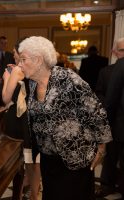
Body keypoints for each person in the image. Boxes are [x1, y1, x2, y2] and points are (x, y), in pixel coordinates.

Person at [18, 36, 112, 200]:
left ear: (39, 60)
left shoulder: (68, 79)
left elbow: (96, 111)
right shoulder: (33, 83)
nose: (20, 64)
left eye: (23, 59)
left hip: (75, 159)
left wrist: (102, 148)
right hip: (49, 159)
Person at [2, 38, 41, 200]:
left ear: (20, 53)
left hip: (18, 121)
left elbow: (5, 98)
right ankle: (34, 194)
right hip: (33, 117)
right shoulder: (37, 68)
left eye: (14, 53)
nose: (13, 56)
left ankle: (17, 194)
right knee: (34, 160)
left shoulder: (16, 71)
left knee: (17, 162)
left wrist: (6, 78)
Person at [104, 37, 124, 199]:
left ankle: (111, 185)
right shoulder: (118, 66)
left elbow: (111, 98)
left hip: (119, 124)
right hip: (119, 123)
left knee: (115, 157)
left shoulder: (120, 65)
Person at [0, 36, 15, 106]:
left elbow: (11, 67)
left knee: (5, 105)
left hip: (6, 83)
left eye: (5, 43)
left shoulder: (10, 55)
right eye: (2, 43)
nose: (3, 45)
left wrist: (8, 77)